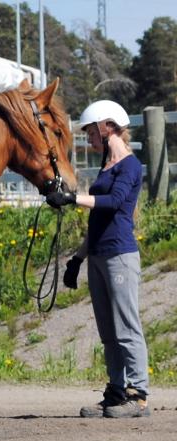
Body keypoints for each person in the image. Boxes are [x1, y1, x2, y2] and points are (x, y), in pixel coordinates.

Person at [45, 100, 150, 418]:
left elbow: (114, 202)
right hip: (99, 255)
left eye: (91, 131)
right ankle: (116, 392)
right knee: (108, 332)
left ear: (108, 127)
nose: (89, 138)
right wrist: (77, 259)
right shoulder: (105, 167)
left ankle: (138, 395)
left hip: (120, 255)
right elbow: (98, 221)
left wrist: (71, 198)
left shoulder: (130, 166)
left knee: (127, 327)